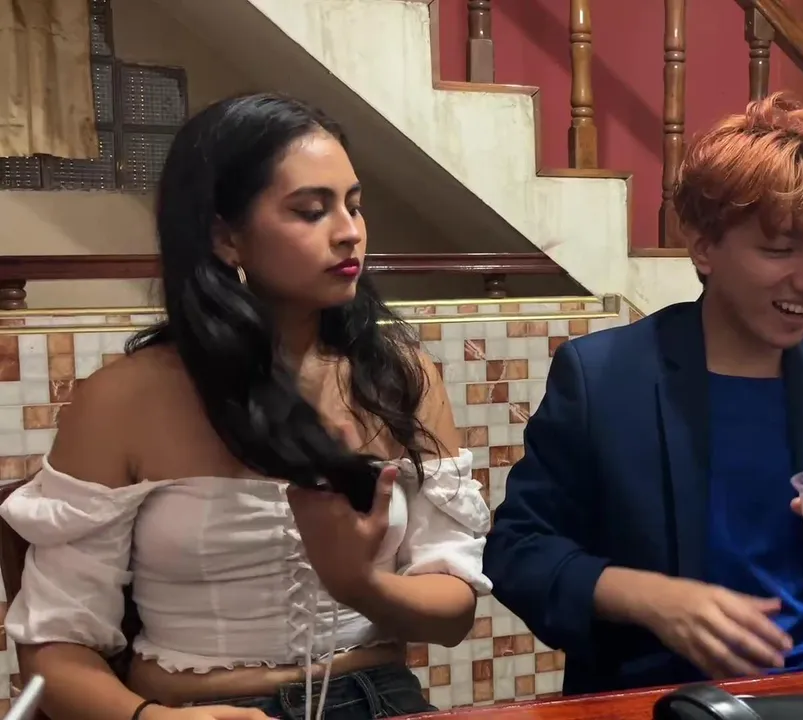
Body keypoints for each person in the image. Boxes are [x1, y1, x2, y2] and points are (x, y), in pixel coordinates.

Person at [1, 93, 492, 720]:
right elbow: (54, 652)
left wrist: (358, 582)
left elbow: (453, 616)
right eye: (311, 210)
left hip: (378, 698)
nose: (349, 231)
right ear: (225, 237)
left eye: (354, 204)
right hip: (192, 709)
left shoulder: (400, 376)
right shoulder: (122, 398)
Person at [482, 93, 803, 695]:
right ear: (702, 246)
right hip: (666, 697)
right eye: (779, 250)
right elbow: (517, 552)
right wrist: (651, 597)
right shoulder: (604, 378)